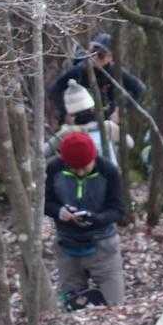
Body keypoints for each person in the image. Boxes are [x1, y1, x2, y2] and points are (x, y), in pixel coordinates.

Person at [44, 131, 126, 308]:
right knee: (71, 306)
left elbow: (118, 210)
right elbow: (45, 202)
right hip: (67, 246)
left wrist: (96, 218)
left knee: (115, 305)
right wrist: (59, 212)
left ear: (94, 158)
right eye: (74, 168)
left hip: (103, 246)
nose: (80, 172)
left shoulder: (109, 171)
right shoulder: (54, 169)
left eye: (84, 167)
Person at [46, 32, 145, 123]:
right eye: (93, 52)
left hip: (107, 122)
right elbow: (54, 89)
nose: (95, 57)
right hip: (80, 122)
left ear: (110, 58)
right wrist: (65, 112)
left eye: (101, 55)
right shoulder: (79, 69)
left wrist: (120, 111)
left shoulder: (115, 71)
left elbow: (139, 89)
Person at [45, 81, 126, 161]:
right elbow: (129, 143)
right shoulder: (109, 126)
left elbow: (44, 151)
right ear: (92, 109)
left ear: (71, 115)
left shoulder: (67, 133)